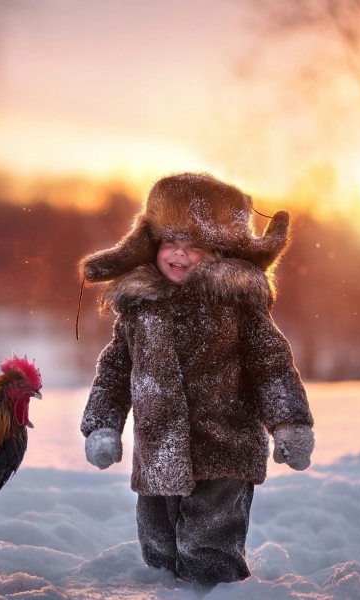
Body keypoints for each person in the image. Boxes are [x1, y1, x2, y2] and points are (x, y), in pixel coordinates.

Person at [78, 172, 314, 588]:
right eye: (170, 242)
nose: (179, 255)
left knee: (209, 551)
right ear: (151, 245)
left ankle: (214, 589)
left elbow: (271, 367)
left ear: (222, 251)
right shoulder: (139, 309)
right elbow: (114, 372)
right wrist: (102, 425)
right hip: (157, 453)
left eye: (196, 246)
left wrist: (289, 423)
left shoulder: (238, 307)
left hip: (224, 448)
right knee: (158, 553)